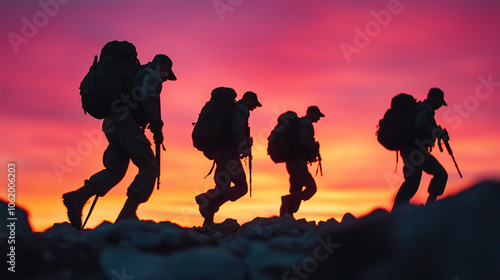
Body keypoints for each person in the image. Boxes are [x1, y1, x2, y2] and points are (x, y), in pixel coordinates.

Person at [63, 54, 177, 229]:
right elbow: (148, 98)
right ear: (163, 66)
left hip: (113, 121)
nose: (165, 79)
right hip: (125, 123)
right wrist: (157, 126)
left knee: (115, 169)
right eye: (166, 73)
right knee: (149, 166)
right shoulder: (152, 75)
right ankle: (127, 214)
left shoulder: (137, 73)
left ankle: (78, 197)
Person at [195, 91, 262, 226]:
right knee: (241, 187)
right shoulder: (242, 109)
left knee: (222, 186)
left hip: (220, 151)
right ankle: (206, 198)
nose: (254, 107)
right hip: (228, 152)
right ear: (249, 99)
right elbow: (237, 129)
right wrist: (243, 146)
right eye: (254, 103)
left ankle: (208, 220)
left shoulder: (232, 108)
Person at [393, 88, 448, 209]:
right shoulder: (425, 108)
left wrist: (437, 133)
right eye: (439, 101)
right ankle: (396, 213)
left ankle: (429, 207)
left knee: (441, 174)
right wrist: (435, 132)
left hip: (420, 152)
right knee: (412, 183)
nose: (440, 105)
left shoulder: (425, 109)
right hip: (413, 150)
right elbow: (420, 123)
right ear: (433, 98)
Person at [280, 106, 324, 217]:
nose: (318, 118)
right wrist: (313, 146)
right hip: (297, 161)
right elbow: (303, 139)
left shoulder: (300, 123)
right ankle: (287, 200)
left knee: (296, 188)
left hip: (293, 161)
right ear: (311, 113)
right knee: (311, 187)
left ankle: (287, 216)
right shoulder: (306, 123)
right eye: (317, 115)